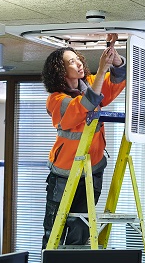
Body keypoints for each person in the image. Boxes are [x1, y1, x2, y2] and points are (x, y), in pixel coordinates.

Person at [41, 34, 126, 248]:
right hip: (64, 173)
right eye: (71, 61)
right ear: (60, 71)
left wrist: (114, 60)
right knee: (55, 231)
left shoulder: (89, 83)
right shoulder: (56, 100)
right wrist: (102, 70)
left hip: (92, 169)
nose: (78, 63)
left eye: (78, 59)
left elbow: (117, 80)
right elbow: (85, 104)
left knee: (81, 228)